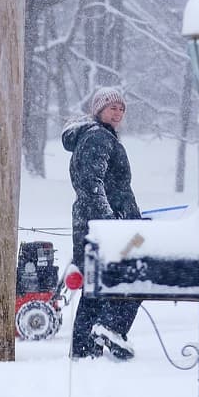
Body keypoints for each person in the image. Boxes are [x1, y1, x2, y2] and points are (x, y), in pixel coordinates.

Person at [62, 86, 142, 360]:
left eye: (121, 108)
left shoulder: (100, 137)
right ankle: (111, 328)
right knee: (135, 275)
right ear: (99, 110)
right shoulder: (98, 138)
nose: (118, 113)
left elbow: (108, 187)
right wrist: (110, 223)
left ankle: (85, 349)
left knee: (96, 286)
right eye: (112, 108)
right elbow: (91, 185)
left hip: (94, 223)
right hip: (102, 227)